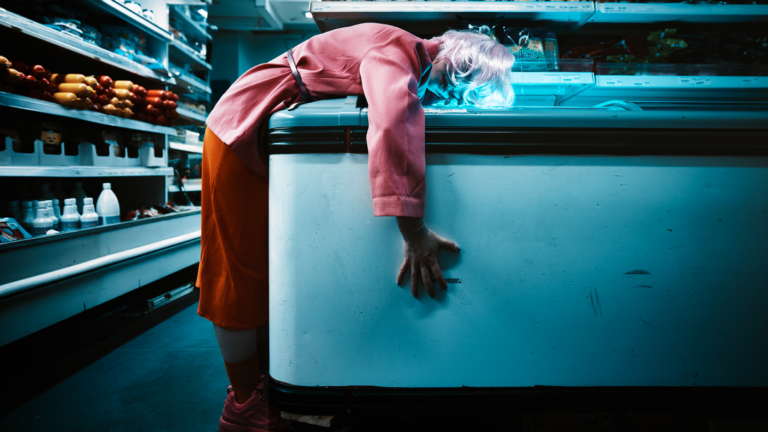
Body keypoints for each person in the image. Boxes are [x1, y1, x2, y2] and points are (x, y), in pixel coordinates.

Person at [197, 23, 514, 432]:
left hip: (256, 126)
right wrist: (414, 231)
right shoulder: (398, 52)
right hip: (241, 128)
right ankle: (243, 404)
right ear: (457, 62)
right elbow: (392, 123)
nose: (444, 95)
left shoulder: (405, 54)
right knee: (238, 272)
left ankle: (262, 392)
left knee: (262, 273)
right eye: (452, 85)